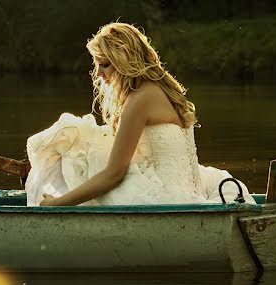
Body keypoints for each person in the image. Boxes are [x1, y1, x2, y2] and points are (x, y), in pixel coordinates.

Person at [27, 22, 253, 207]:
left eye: (104, 65)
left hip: (164, 198)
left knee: (74, 145)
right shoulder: (165, 88)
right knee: (87, 142)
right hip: (194, 187)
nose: (98, 73)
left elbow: (114, 175)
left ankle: (49, 198)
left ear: (124, 61)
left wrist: (59, 205)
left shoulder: (139, 100)